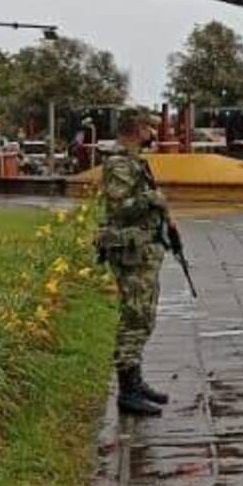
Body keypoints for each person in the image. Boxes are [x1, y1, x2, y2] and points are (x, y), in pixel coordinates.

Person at [97, 107, 170, 417]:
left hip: (142, 248)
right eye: (148, 128)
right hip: (129, 251)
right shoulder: (118, 163)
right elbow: (119, 207)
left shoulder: (134, 161)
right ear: (137, 128)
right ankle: (127, 390)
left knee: (144, 316)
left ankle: (135, 380)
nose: (152, 133)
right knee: (134, 316)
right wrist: (151, 199)